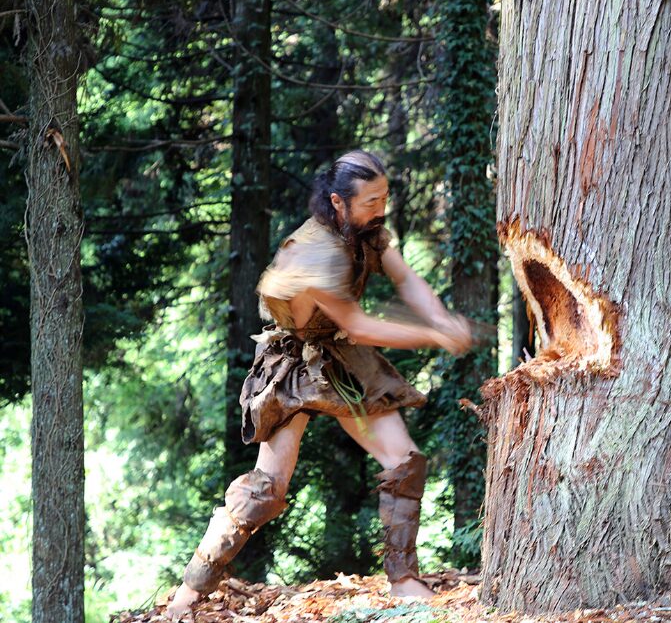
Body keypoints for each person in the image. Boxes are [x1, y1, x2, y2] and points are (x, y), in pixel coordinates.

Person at [165, 150, 473, 620]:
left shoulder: (366, 232)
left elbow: (406, 279)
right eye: (371, 201)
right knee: (266, 490)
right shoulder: (317, 252)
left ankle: (405, 581)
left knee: (404, 462)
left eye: (384, 198)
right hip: (292, 364)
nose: (381, 209)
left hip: (341, 354)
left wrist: (442, 317)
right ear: (337, 201)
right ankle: (187, 596)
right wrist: (434, 336)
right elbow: (361, 324)